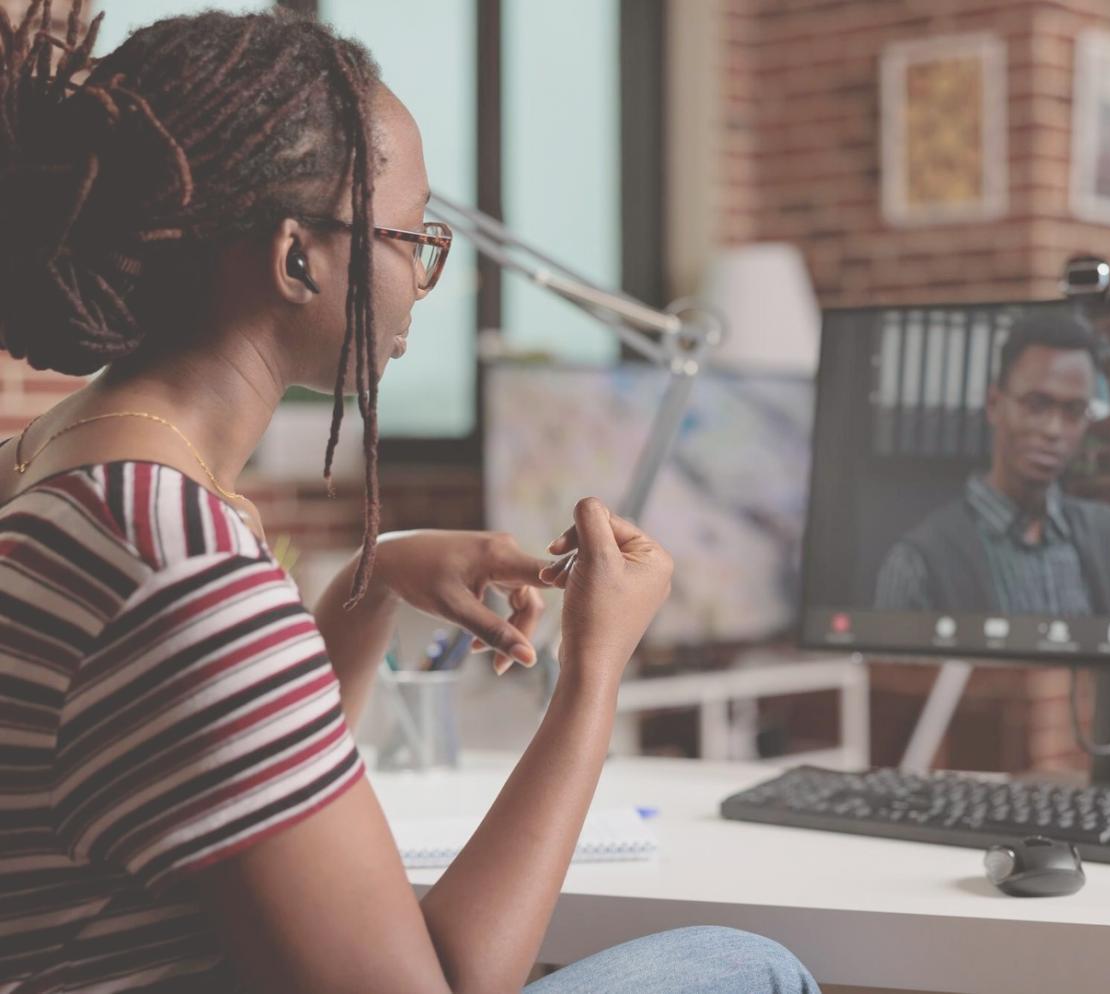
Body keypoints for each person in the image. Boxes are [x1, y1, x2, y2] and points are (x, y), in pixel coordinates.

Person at [0, 5, 820, 993]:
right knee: (747, 966)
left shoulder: (50, 470)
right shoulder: (178, 557)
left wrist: (370, 575)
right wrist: (593, 671)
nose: (430, 278)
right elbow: (442, 983)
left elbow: (258, 801)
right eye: (412, 236)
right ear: (296, 256)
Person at [875, 310, 1110, 621]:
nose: (1053, 430)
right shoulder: (921, 563)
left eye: (1073, 411)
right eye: (1036, 404)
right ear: (994, 403)